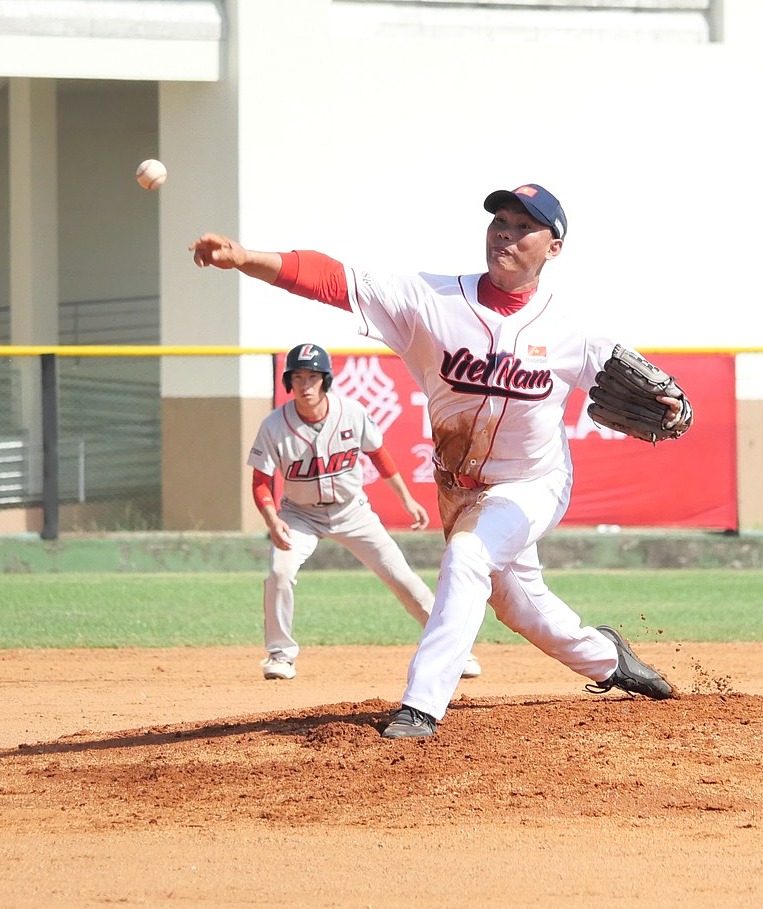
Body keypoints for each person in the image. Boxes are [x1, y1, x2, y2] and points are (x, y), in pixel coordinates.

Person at [191, 181, 689, 738]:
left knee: (468, 558)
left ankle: (421, 705)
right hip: (459, 488)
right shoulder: (433, 300)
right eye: (500, 221)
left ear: (554, 248)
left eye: (524, 227)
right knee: (518, 607)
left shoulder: (571, 329)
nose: (506, 234)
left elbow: (656, 392)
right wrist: (245, 258)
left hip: (532, 484)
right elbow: (334, 279)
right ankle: (609, 658)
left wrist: (674, 406)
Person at [249, 342, 481, 681]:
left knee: (401, 577)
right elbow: (260, 482)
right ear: (288, 382)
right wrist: (272, 520)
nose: (305, 385)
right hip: (299, 515)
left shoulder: (351, 412)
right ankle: (280, 655)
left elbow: (379, 456)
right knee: (279, 573)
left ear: (325, 380)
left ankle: (454, 651)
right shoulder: (274, 425)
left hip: (351, 512)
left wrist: (407, 500)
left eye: (312, 377)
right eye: (297, 377)